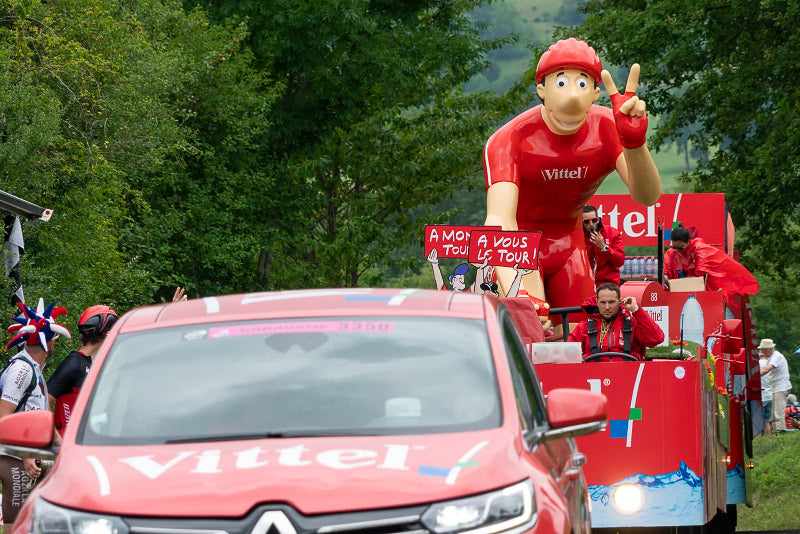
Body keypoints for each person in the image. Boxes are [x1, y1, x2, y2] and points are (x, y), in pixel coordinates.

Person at [483, 38, 661, 318]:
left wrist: (635, 144)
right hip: (519, 243)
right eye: (561, 82)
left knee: (581, 332)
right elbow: (499, 220)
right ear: (541, 89)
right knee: (532, 325)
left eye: (582, 83)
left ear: (595, 92)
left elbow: (647, 196)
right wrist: (517, 291)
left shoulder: (607, 128)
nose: (573, 96)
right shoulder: (509, 140)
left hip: (569, 243)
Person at [0, 298, 69, 527]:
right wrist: (26, 456)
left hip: (34, 454)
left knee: (38, 515)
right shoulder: (21, 369)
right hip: (14, 456)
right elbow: (4, 416)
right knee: (16, 519)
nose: (55, 344)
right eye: (55, 340)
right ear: (47, 344)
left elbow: (41, 414)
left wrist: (62, 446)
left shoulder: (35, 369)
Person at [48, 305, 118, 435]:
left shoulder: (93, 364)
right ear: (107, 334)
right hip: (66, 445)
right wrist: (57, 439)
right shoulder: (74, 363)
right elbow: (43, 402)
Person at [568, 283, 664, 361]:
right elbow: (568, 356)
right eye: (603, 302)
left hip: (628, 377)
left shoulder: (632, 323)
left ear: (620, 302)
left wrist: (637, 310)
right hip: (593, 378)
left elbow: (656, 339)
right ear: (596, 302)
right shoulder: (583, 327)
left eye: (611, 302)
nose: (607, 307)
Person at [582, 205, 625, 286]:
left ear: (598, 219)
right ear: (582, 222)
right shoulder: (578, 236)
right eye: (587, 222)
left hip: (609, 284)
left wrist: (604, 247)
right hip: (586, 284)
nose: (591, 224)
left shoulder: (612, 232)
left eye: (594, 220)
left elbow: (619, 261)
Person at [758, 338, 792, 433]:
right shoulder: (772, 357)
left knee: (778, 412)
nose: (762, 352)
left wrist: (754, 377)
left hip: (781, 387)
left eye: (763, 350)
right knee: (774, 413)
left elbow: (767, 369)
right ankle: (776, 431)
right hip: (776, 387)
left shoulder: (776, 357)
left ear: (768, 349)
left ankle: (780, 431)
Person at [758, 351, 774, 436]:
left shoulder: (758, 364)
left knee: (758, 420)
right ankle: (768, 437)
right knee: (767, 420)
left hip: (761, 395)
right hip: (770, 395)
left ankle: (757, 438)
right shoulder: (771, 364)